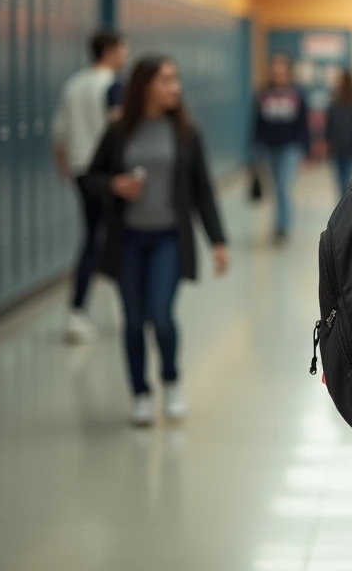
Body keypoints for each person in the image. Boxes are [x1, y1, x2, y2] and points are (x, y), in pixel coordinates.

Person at [84, 55, 229, 427]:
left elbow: (202, 190)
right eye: (167, 80)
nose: (175, 87)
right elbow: (90, 177)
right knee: (133, 321)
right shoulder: (119, 130)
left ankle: (171, 379)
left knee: (161, 317)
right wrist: (114, 184)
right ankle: (141, 394)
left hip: (168, 238)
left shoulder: (186, 132)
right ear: (145, 84)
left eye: (176, 80)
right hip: (128, 239)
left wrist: (218, 241)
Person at [52, 29, 129, 343]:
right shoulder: (112, 87)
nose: (125, 56)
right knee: (120, 238)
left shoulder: (74, 84)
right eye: (123, 50)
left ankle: (76, 313)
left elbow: (59, 133)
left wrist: (65, 169)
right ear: (109, 51)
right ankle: (129, 308)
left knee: (91, 238)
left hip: (82, 172)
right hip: (109, 175)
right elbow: (120, 131)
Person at [253, 55, 310, 243]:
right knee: (276, 187)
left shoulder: (296, 94)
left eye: (281, 70)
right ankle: (278, 223)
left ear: (288, 72)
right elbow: (257, 123)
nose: (278, 74)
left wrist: (306, 149)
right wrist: (255, 147)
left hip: (290, 147)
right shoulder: (263, 94)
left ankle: (283, 227)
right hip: (269, 147)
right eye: (275, 70)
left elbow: (303, 123)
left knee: (284, 186)